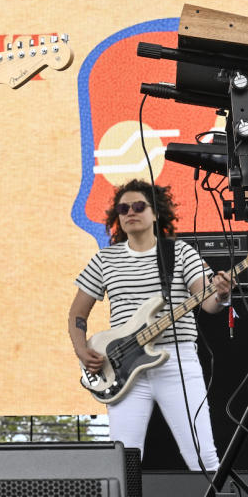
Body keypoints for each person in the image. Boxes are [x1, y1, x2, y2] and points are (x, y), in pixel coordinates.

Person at [69, 179, 232, 470]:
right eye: (123, 208)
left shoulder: (180, 252)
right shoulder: (105, 259)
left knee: (203, 457)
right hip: (120, 368)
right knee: (123, 462)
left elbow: (207, 302)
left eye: (139, 206)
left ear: (156, 213)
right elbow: (77, 314)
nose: (130, 212)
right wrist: (82, 351)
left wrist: (221, 294)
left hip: (177, 361)